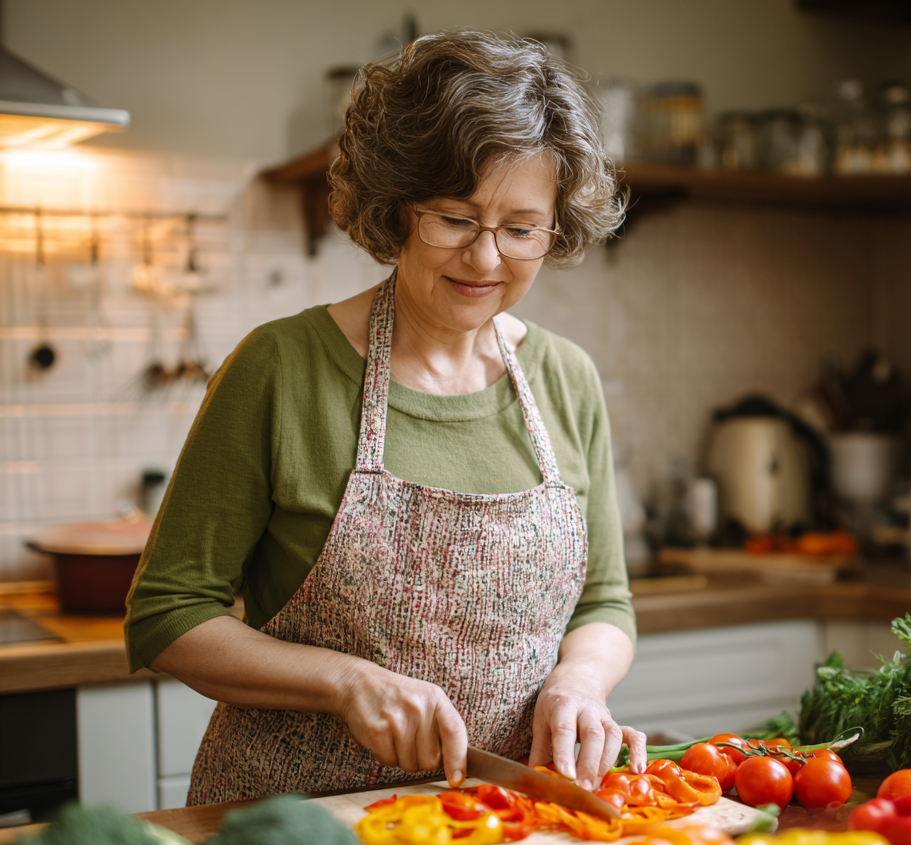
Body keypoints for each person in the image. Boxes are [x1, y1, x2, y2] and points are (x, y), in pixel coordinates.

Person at [125, 30, 645, 805]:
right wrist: (342, 681)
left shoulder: (565, 378)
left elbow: (605, 601)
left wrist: (579, 682)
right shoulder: (279, 368)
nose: (486, 260)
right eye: (456, 219)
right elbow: (167, 616)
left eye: (521, 228)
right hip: (295, 829)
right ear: (397, 206)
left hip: (503, 819)